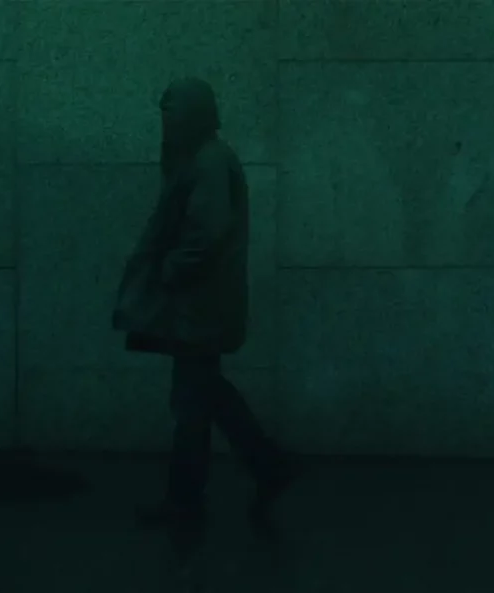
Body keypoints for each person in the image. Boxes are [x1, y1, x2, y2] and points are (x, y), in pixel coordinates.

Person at [112, 77, 296, 554]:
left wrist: (170, 272)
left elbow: (206, 231)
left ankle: (192, 497)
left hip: (200, 305)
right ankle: (264, 466)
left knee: (193, 403)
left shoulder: (209, 162)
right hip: (203, 305)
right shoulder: (206, 158)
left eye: (172, 113)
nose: (166, 122)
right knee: (204, 395)